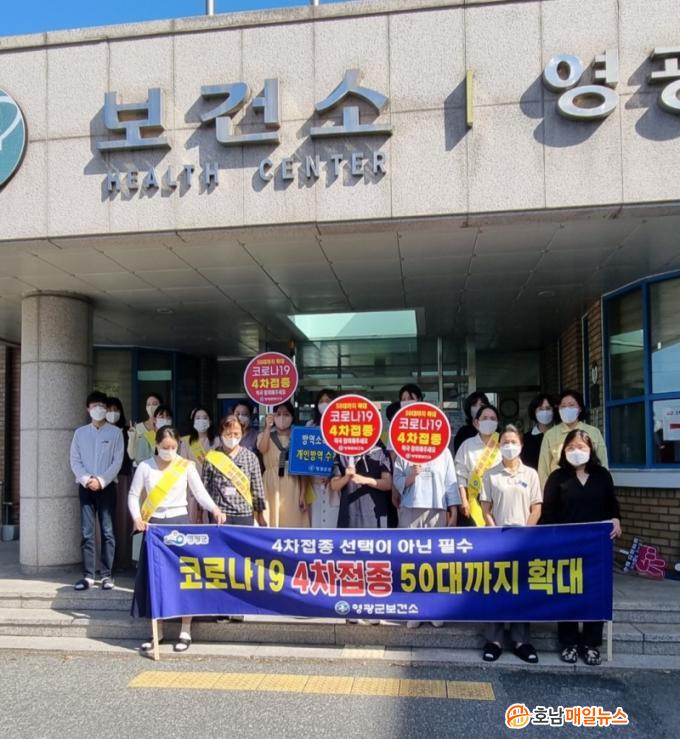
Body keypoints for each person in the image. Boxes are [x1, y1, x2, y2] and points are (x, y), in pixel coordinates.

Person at [128, 426, 226, 653]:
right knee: (155, 580)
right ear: (157, 445)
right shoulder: (145, 466)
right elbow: (133, 495)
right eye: (165, 447)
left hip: (180, 523)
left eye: (173, 447)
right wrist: (136, 518)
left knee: (183, 577)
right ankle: (157, 631)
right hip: (154, 526)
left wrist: (215, 509)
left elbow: (199, 493)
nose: (169, 451)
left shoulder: (186, 465)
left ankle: (185, 629)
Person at [540, 429, 621, 666]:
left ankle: (591, 643)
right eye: (571, 447)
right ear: (564, 451)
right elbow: (548, 512)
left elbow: (611, 504)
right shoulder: (557, 477)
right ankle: (569, 642)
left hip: (596, 547)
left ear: (591, 449)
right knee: (567, 592)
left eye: (582, 447)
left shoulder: (602, 475)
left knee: (594, 593)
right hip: (565, 547)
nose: (576, 451)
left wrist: (616, 519)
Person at [479, 425, 542, 663]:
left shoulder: (531, 474)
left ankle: (521, 641)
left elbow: (536, 508)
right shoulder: (491, 474)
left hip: (524, 541)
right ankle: (494, 640)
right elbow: (486, 508)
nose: (509, 446)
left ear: (521, 445)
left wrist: (525, 533)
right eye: (505, 442)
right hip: (498, 541)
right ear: (499, 446)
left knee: (521, 589)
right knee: (496, 588)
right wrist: (496, 532)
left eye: (514, 442)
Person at [393, 445, 459, 629]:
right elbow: (396, 480)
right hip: (410, 509)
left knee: (436, 561)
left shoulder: (443, 451)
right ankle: (414, 609)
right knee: (411, 561)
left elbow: (450, 482)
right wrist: (411, 476)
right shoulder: (404, 450)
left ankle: (435, 609)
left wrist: (453, 510)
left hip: (437, 510)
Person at [331, 444, 392, 624]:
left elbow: (388, 483)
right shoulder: (341, 452)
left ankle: (372, 608)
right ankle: (351, 607)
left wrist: (365, 480)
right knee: (350, 562)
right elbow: (334, 485)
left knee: (374, 562)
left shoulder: (379, 452)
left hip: (374, 513)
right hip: (349, 512)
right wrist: (347, 477)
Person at [69, 391, 124, 591]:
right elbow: (75, 460)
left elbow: (117, 461)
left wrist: (101, 481)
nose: (98, 409)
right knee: (87, 531)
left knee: (108, 531)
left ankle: (107, 575)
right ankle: (88, 575)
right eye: (94, 406)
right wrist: (87, 479)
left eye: (101, 406)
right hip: (85, 487)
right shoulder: (80, 433)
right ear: (88, 409)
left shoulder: (115, 433)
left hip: (107, 487)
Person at [203, 417, 267, 526]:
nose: (232, 437)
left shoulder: (250, 457)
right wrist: (200, 513)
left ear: (242, 433)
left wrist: (260, 516)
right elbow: (204, 488)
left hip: (244, 514)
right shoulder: (211, 457)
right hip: (220, 515)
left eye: (236, 434)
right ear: (221, 434)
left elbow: (257, 489)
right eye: (228, 434)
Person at [538, 389, 608, 488]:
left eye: (571, 405)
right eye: (563, 406)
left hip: (590, 487)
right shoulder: (550, 435)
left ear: (580, 408)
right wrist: (548, 492)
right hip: (559, 488)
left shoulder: (594, 432)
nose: (567, 409)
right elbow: (543, 469)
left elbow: (603, 463)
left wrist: (602, 488)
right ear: (558, 409)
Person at [257, 401, 308, 527]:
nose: (282, 418)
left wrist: (303, 494)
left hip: (293, 483)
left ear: (292, 417)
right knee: (271, 520)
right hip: (270, 483)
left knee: (292, 520)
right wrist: (267, 427)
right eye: (278, 414)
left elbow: (303, 468)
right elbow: (262, 449)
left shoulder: (299, 437)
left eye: (286, 414)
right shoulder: (264, 435)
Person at [454, 404, 501, 527]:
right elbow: (460, 476)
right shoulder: (467, 445)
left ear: (497, 423)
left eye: (493, 418)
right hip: (473, 500)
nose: (488, 421)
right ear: (476, 422)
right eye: (484, 418)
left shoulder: (503, 444)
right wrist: (463, 500)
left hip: (498, 501)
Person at [107, 396, 135, 570]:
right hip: (104, 480)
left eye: (115, 410)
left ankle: (122, 560)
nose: (112, 413)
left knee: (123, 519)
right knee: (106, 520)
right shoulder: (100, 431)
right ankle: (105, 561)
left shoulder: (127, 431)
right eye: (109, 410)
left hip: (123, 478)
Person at [305, 389, 339, 528]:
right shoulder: (310, 425)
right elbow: (305, 453)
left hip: (335, 480)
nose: (324, 404)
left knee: (332, 519)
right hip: (313, 478)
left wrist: (332, 474)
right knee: (315, 518)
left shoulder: (341, 425)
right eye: (321, 401)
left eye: (328, 401)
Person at [179, 406, 217, 523]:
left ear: (210, 421)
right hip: (192, 488)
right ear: (193, 421)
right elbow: (182, 465)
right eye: (198, 418)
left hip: (212, 487)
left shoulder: (217, 441)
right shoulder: (186, 441)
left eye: (205, 418)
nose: (201, 420)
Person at [521, 393, 556, 470]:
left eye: (548, 408)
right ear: (534, 412)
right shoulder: (525, 439)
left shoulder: (561, 435)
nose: (545, 412)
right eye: (540, 409)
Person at [127, 392, 163, 466]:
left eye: (155, 404)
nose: (151, 407)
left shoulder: (164, 426)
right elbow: (131, 455)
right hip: (141, 468)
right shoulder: (138, 427)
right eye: (148, 404)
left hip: (159, 467)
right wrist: (131, 438)